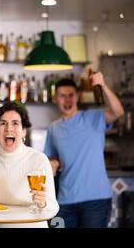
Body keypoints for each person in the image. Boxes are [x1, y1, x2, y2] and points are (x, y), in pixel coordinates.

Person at [44, 76, 124, 228]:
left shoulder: (94, 117)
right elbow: (51, 159)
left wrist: (102, 84)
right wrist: (53, 163)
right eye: (62, 96)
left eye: (71, 95)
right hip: (64, 201)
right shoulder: (53, 128)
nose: (67, 100)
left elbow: (118, 111)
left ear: (78, 96)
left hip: (96, 201)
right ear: (55, 99)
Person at [0, 102, 59, 228]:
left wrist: (43, 203)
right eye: (3, 123)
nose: (9, 128)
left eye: (15, 123)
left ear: (24, 131)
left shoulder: (38, 159)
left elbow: (53, 208)